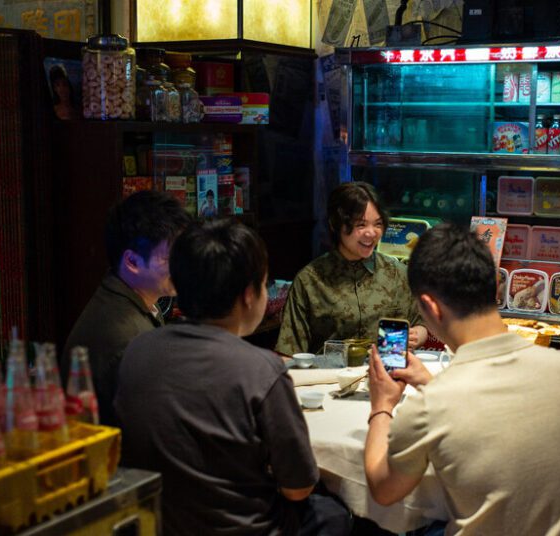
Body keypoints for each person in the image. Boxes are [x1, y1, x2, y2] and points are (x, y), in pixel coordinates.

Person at [115, 219, 350, 536]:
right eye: (265, 284)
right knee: (334, 513)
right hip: (245, 529)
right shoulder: (261, 370)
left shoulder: (138, 350)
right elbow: (299, 488)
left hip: (160, 523)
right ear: (249, 295)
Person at [364, 223, 560, 534]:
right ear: (497, 289)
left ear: (431, 307)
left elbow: (383, 489)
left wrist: (381, 406)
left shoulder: (430, 407)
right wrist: (431, 383)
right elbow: (494, 416)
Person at [61, 191, 192, 427]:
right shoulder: (124, 337)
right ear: (132, 262)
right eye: (171, 257)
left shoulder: (131, 297)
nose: (184, 265)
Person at [276, 182, 426, 356]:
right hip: (330, 379)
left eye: (377, 224)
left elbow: (420, 323)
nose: (371, 233)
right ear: (335, 224)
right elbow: (288, 353)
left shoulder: (398, 273)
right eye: (361, 225)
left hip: (389, 377)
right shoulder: (310, 281)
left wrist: (418, 334)